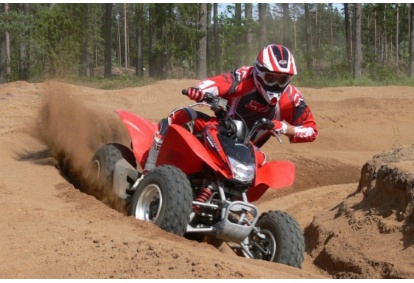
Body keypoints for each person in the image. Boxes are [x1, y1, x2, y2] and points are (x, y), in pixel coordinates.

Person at [144, 44, 318, 171]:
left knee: (265, 166)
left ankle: (243, 211)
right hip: (218, 131)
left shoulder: (292, 97)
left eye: (282, 79)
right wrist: (199, 90)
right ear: (258, 72)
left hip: (247, 150)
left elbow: (311, 131)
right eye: (270, 77)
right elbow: (217, 83)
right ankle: (149, 170)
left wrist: (284, 127)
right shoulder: (243, 77)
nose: (275, 83)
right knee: (180, 115)